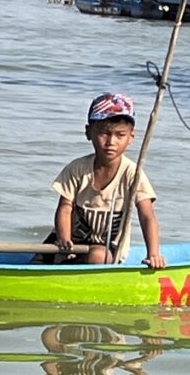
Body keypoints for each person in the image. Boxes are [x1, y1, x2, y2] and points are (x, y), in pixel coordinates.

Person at [43, 93, 166, 268]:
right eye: (104, 133)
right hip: (67, 244)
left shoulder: (132, 174)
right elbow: (65, 208)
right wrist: (64, 240)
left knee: (99, 255)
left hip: (106, 251)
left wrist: (153, 255)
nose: (111, 142)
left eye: (119, 135)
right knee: (37, 263)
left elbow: (147, 216)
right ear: (88, 133)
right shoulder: (77, 169)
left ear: (131, 137)